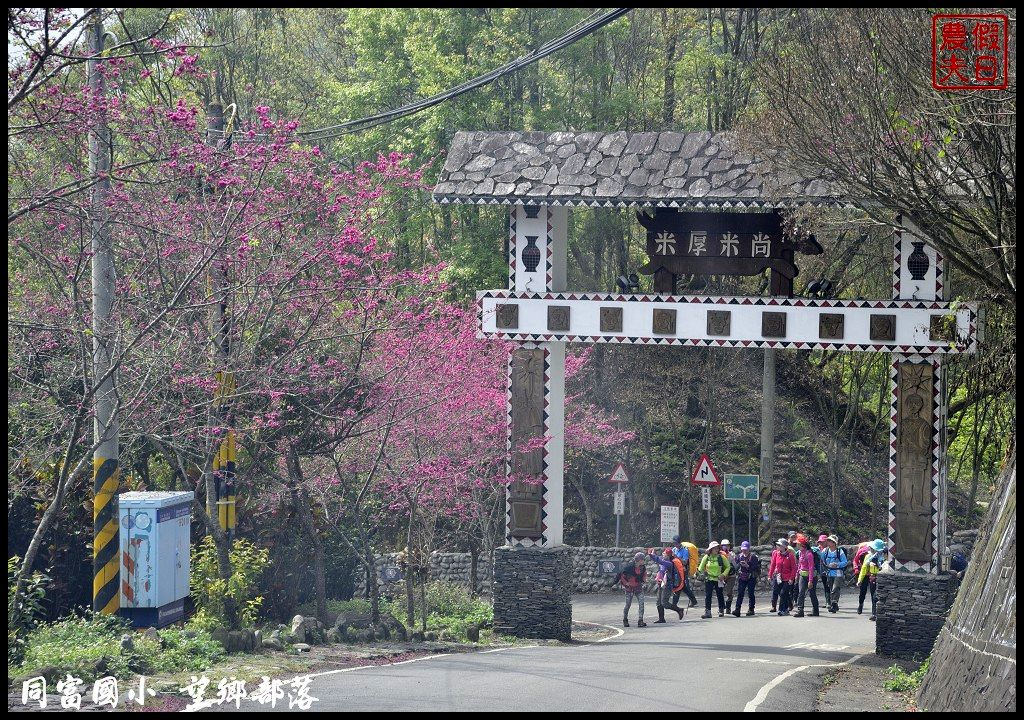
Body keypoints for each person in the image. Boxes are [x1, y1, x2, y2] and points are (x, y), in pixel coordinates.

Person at [649, 547, 685, 623]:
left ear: (668, 555)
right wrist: (653, 554)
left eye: (664, 553)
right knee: (658, 602)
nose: (663, 554)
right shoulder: (664, 560)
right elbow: (658, 560)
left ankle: (679, 610)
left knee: (664, 603)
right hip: (661, 584)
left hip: (667, 585)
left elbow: (659, 560)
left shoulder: (669, 563)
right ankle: (661, 618)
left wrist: (652, 555)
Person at [698, 541, 732, 618]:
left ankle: (721, 610)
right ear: (711, 549)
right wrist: (702, 572)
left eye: (717, 548)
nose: (716, 550)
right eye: (714, 548)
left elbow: (728, 567)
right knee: (708, 595)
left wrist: (723, 575)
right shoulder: (706, 557)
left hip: (719, 579)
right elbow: (700, 568)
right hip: (709, 578)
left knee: (719, 595)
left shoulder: (721, 557)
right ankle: (708, 612)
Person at [856, 539, 887, 620]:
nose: (872, 550)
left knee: (878, 596)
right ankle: (874, 614)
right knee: (874, 596)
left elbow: (886, 568)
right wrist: (860, 580)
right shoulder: (868, 556)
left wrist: (878, 565)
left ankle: (879, 613)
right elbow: (864, 568)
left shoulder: (885, 557)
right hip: (872, 578)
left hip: (882, 578)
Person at [617, 552, 648, 627]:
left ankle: (640, 620)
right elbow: (622, 576)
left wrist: (644, 580)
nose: (644, 560)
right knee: (628, 604)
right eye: (642, 559)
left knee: (641, 603)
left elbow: (644, 574)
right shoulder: (629, 567)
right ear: (639, 560)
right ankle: (625, 620)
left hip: (638, 587)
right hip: (629, 589)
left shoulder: (643, 567)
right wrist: (626, 583)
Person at [731, 541, 761, 616]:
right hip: (742, 577)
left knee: (750, 593)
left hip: (751, 577)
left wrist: (747, 566)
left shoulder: (753, 557)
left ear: (749, 549)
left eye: (746, 549)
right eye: (743, 549)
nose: (744, 550)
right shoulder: (739, 556)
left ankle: (751, 609)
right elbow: (736, 568)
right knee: (740, 593)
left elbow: (754, 568)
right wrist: (738, 564)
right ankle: (737, 609)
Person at [769, 538, 797, 615]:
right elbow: (773, 565)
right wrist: (770, 575)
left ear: (784, 546)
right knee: (777, 591)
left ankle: (782, 610)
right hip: (778, 577)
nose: (777, 546)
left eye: (779, 545)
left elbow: (794, 568)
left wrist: (792, 578)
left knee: (783, 593)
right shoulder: (776, 554)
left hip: (787, 578)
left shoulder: (790, 556)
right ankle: (787, 606)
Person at [821, 535, 849, 613]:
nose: (828, 542)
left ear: (834, 543)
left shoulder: (840, 551)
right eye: (828, 540)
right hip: (829, 573)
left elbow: (845, 562)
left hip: (838, 573)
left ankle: (833, 604)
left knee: (835, 588)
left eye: (830, 541)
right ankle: (835, 604)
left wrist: (837, 564)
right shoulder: (825, 551)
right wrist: (824, 570)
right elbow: (822, 561)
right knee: (831, 589)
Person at [794, 534, 819, 617]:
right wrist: (797, 574)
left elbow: (811, 568)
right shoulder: (800, 552)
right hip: (802, 575)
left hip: (811, 576)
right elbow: (799, 565)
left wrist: (810, 581)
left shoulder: (809, 554)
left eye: (797, 543)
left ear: (802, 545)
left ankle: (816, 611)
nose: (796, 545)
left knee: (812, 594)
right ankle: (800, 610)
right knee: (801, 593)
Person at [673, 535, 700, 608]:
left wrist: (677, 557)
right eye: (674, 543)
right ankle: (694, 601)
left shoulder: (685, 550)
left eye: (676, 543)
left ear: (679, 542)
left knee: (679, 586)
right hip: (676, 571)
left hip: (683, 571)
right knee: (684, 587)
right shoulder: (674, 549)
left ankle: (674, 603)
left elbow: (685, 562)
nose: (675, 545)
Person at [852, 541, 873, 612]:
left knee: (874, 592)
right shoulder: (860, 553)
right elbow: (855, 561)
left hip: (872, 574)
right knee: (862, 591)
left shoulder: (873, 554)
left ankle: (874, 610)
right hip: (863, 573)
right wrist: (856, 569)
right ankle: (860, 604)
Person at [720, 539, 737, 613]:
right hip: (722, 575)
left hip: (731, 576)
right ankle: (721, 607)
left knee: (729, 592)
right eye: (724, 546)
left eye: (727, 545)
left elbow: (735, 565)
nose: (726, 547)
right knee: (720, 592)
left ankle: (728, 606)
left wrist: (729, 556)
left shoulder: (732, 554)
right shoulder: (719, 555)